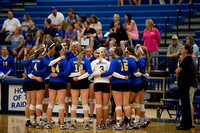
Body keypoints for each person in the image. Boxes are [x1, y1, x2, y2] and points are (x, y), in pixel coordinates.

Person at [52, 46, 93, 130]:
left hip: (74, 82)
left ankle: (73, 122)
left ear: (76, 52)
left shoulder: (71, 60)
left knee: (74, 102)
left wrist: (76, 76)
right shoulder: (86, 61)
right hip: (84, 82)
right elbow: (90, 73)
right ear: (84, 52)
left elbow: (67, 73)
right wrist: (79, 75)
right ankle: (86, 122)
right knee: (85, 102)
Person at [94, 47, 132, 130]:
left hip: (117, 84)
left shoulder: (114, 61)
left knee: (118, 104)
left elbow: (111, 72)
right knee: (126, 104)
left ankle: (118, 123)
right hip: (127, 84)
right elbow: (130, 71)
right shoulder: (127, 61)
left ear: (115, 53)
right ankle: (128, 123)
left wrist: (101, 75)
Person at [21, 45, 48, 128]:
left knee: (31, 104)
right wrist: (36, 77)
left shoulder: (30, 61)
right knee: (33, 103)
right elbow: (29, 74)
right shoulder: (35, 61)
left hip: (29, 83)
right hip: (32, 82)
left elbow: (25, 69)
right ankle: (36, 121)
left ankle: (31, 121)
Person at [46, 44, 69, 130]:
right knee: (61, 104)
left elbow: (48, 66)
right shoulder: (64, 60)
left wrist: (54, 75)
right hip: (61, 82)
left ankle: (48, 123)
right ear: (62, 51)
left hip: (52, 82)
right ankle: (62, 124)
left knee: (51, 103)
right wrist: (58, 74)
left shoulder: (52, 59)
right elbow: (66, 72)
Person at [175, 43, 195, 130]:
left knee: (185, 105)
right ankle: (188, 123)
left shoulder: (187, 59)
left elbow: (177, 70)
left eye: (182, 48)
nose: (181, 50)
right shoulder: (189, 59)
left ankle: (185, 124)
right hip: (185, 85)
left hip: (185, 85)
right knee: (186, 104)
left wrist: (178, 71)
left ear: (186, 50)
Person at [91, 48, 111, 129]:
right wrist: (103, 74)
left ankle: (99, 124)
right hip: (106, 83)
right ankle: (104, 123)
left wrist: (98, 75)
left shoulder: (93, 62)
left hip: (97, 83)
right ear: (103, 54)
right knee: (105, 105)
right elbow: (110, 74)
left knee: (98, 104)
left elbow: (91, 74)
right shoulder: (108, 62)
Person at [22, 49, 35, 127]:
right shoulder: (31, 62)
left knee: (29, 103)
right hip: (30, 82)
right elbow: (30, 74)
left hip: (26, 82)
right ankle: (30, 120)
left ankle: (28, 120)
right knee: (30, 103)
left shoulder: (27, 61)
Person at [83, 46, 96, 123]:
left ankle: (91, 116)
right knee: (85, 99)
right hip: (83, 80)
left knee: (91, 98)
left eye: (89, 51)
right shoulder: (82, 59)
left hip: (91, 80)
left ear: (92, 52)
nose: (88, 53)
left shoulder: (94, 59)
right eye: (87, 51)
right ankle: (86, 115)